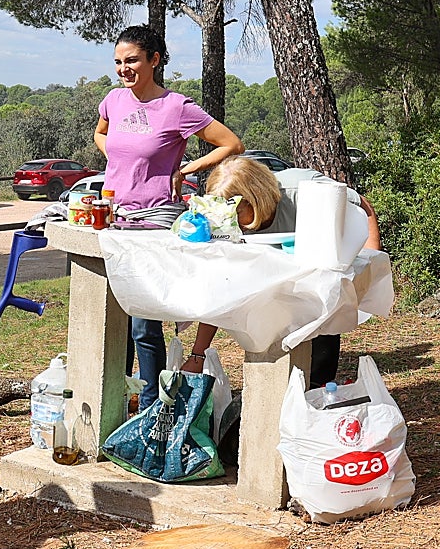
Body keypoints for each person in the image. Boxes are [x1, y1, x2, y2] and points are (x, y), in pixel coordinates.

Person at [92, 24, 244, 408]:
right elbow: (101, 134)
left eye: (132, 61)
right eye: (118, 62)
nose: (124, 69)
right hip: (113, 218)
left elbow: (231, 143)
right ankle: (117, 398)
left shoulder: (176, 107)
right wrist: (119, 159)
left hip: (154, 222)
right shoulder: (113, 101)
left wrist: (187, 169)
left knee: (144, 323)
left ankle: (151, 406)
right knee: (114, 320)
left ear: (154, 60)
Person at [180, 155, 382, 387]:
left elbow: (362, 205)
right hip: (273, 282)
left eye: (236, 214)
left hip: (317, 274)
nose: (230, 222)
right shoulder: (225, 222)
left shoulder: (303, 190)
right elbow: (221, 288)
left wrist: (371, 258)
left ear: (255, 200)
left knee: (321, 325)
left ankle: (317, 390)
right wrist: (198, 354)